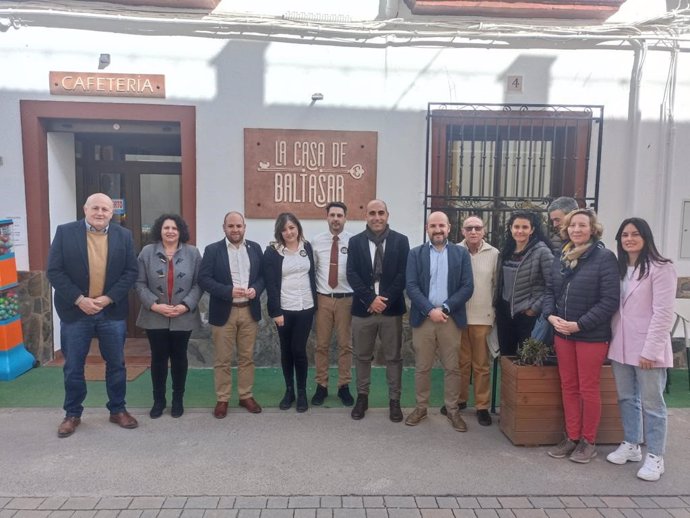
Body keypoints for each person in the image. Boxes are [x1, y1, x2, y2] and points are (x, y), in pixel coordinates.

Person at [47, 193, 138, 438]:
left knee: (116, 364)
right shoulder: (66, 232)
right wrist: (79, 299)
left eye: (105, 209)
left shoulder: (124, 235)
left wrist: (108, 298)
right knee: (74, 366)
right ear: (85, 209)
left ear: (112, 213)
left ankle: (118, 409)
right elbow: (54, 271)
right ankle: (72, 413)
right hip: (76, 311)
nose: (100, 213)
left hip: (111, 311)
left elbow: (131, 272)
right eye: (95, 208)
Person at [543, 208, 619, 463]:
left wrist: (580, 325)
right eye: (572, 225)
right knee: (569, 386)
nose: (576, 229)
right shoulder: (560, 255)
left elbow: (609, 301)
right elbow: (550, 291)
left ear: (592, 229)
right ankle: (572, 437)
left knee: (588, 388)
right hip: (562, 333)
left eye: (582, 225)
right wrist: (550, 316)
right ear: (566, 229)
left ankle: (588, 441)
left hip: (591, 336)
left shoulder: (605, 258)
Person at [606, 218, 676, 481]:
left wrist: (651, 350)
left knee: (652, 403)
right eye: (624, 234)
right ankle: (631, 444)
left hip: (648, 349)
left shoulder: (661, 268)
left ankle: (656, 457)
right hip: (621, 345)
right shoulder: (621, 268)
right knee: (626, 398)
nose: (629, 239)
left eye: (635, 234)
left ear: (646, 237)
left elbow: (663, 314)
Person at [405, 211, 473, 432]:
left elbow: (467, 286)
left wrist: (444, 308)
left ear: (449, 228)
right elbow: (412, 286)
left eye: (441, 225)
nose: (438, 230)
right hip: (424, 318)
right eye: (433, 226)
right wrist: (429, 310)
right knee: (422, 367)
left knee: (452, 367)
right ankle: (421, 408)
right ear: (427, 228)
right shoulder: (415, 254)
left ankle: (452, 410)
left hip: (450, 318)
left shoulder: (460, 254)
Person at [347, 199, 410, 422]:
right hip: (363, 310)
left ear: (387, 215)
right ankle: (362, 398)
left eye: (380, 213)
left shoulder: (401, 241)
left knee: (393, 357)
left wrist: (385, 299)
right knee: (362, 356)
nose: (376, 217)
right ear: (366, 216)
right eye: (372, 213)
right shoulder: (355, 242)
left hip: (391, 310)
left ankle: (394, 401)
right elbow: (351, 274)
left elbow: (403, 274)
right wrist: (370, 299)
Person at [135, 214, 202, 419]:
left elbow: (199, 284)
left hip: (183, 316)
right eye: (166, 228)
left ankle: (177, 400)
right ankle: (159, 401)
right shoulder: (147, 252)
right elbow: (139, 283)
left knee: (180, 358)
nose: (170, 231)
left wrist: (185, 306)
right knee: (158, 359)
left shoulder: (192, 253)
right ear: (159, 230)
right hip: (155, 316)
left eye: (174, 228)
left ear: (180, 231)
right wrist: (155, 306)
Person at [198, 211, 265, 418]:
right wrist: (227, 291)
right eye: (231, 226)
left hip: (248, 310)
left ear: (245, 227)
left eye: (239, 226)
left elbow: (262, 276)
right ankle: (223, 398)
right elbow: (204, 279)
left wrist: (256, 288)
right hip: (223, 312)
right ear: (224, 227)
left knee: (247, 358)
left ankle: (245, 395)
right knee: (222, 359)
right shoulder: (212, 250)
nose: (235, 230)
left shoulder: (255, 248)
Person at [263, 212, 317, 413]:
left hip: (306, 307)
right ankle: (289, 391)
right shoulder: (272, 252)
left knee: (299, 350)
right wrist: (275, 311)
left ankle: (302, 392)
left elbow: (312, 275)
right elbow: (271, 283)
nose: (289, 232)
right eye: (284, 229)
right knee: (286, 351)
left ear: (298, 228)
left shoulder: (307, 247)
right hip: (284, 309)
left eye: (292, 227)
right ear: (279, 232)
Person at [455, 215, 499, 426]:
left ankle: (482, 406)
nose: (473, 231)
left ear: (484, 231)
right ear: (462, 231)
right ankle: (460, 400)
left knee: (481, 365)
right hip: (459, 317)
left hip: (483, 317)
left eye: (477, 228)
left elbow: (497, 286)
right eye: (469, 228)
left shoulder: (494, 254)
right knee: (460, 363)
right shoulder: (454, 250)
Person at [310, 202, 355, 407]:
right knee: (322, 345)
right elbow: (313, 271)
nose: (336, 219)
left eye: (339, 215)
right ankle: (321, 385)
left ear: (345, 218)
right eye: (332, 215)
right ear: (326, 218)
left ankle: (344, 386)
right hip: (323, 299)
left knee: (346, 345)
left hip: (346, 299)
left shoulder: (354, 242)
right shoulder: (316, 242)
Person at [496, 210, 552, 356]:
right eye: (516, 227)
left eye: (525, 227)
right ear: (510, 228)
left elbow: (551, 285)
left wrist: (534, 308)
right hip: (505, 314)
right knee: (506, 358)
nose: (520, 231)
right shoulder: (506, 251)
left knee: (526, 361)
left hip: (527, 316)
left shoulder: (542, 252)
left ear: (532, 229)